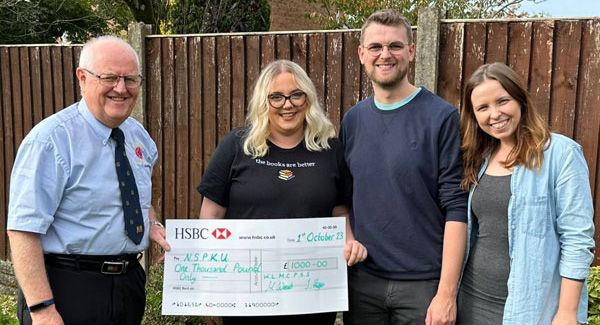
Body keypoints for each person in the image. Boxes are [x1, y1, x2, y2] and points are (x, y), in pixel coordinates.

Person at [7, 36, 170, 325]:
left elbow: (138, 200)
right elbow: (22, 230)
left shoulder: (139, 137)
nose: (121, 88)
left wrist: (153, 226)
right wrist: (42, 309)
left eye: (130, 79)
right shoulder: (51, 141)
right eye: (109, 77)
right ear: (82, 78)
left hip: (128, 286)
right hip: (67, 288)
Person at [197, 59, 367, 325]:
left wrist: (349, 242)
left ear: (308, 99)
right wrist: (211, 288)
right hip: (246, 299)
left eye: (296, 95)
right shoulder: (237, 146)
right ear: (263, 103)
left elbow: (340, 213)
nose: (287, 105)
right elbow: (211, 215)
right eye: (276, 97)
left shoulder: (330, 150)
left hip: (311, 301)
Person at [339, 9, 468, 325]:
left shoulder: (442, 118)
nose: (385, 55)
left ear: (411, 51)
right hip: (362, 282)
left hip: (424, 286)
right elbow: (341, 197)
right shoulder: (352, 121)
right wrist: (347, 238)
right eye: (375, 47)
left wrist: (447, 294)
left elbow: (457, 208)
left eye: (395, 46)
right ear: (361, 54)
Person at [456, 62, 595, 324]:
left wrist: (566, 312)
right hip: (470, 303)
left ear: (520, 100)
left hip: (530, 310)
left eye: (502, 101)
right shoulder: (478, 158)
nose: (495, 114)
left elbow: (577, 238)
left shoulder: (561, 154)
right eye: (483, 108)